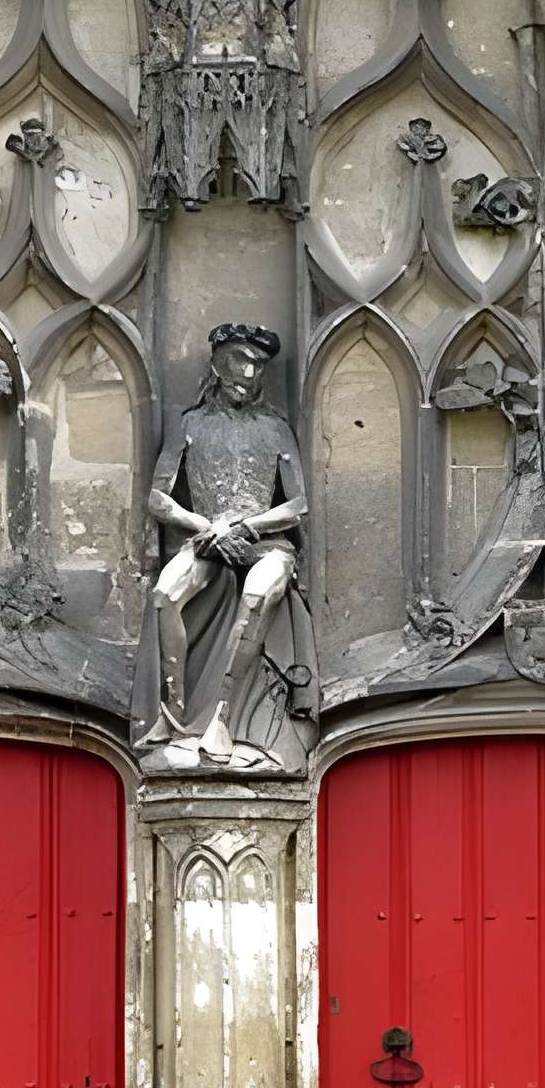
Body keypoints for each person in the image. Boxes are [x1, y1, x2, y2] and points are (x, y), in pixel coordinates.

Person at [135, 323, 316, 768]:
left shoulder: (275, 429)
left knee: (258, 593)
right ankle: (172, 714)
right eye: (240, 360)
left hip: (267, 542)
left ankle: (222, 717)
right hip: (206, 538)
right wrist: (208, 528)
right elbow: (158, 498)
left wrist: (248, 528)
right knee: (165, 595)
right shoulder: (190, 424)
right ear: (217, 363)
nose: (249, 373)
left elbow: (298, 504)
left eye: (258, 365)